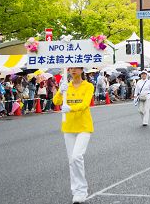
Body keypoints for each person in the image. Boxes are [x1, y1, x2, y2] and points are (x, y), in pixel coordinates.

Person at [53, 67, 94, 204]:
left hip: (84, 126)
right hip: (68, 127)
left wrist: (71, 108)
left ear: (82, 70)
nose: (73, 70)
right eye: (71, 68)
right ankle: (76, 191)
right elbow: (56, 102)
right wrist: (60, 91)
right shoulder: (66, 86)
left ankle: (82, 190)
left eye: (76, 68)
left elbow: (85, 104)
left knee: (77, 157)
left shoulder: (88, 86)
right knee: (71, 161)